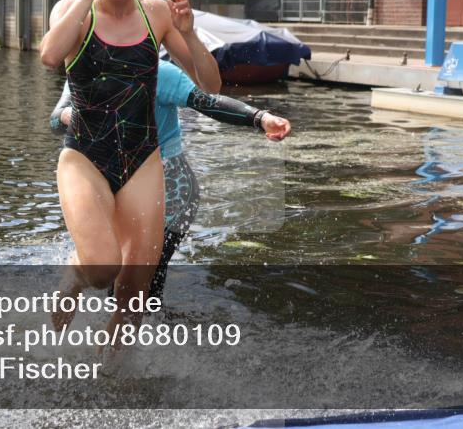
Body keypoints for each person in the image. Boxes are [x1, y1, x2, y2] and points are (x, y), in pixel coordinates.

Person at [39, 0, 220, 334]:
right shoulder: (71, 10)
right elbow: (49, 57)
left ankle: (111, 367)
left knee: (134, 293)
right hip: (86, 155)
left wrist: (190, 35)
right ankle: (75, 276)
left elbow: (211, 86)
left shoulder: (157, 14)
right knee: (102, 268)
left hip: (142, 159)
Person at [50, 59, 291, 298]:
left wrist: (260, 118)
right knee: (106, 268)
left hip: (170, 191)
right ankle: (79, 275)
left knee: (139, 289)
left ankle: (150, 319)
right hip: (109, 185)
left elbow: (207, 102)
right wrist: (69, 116)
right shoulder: (84, 68)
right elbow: (54, 121)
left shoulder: (160, 73)